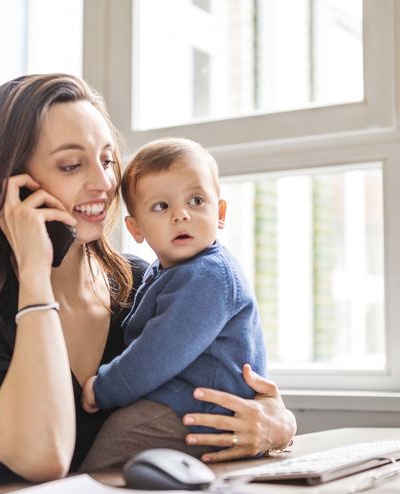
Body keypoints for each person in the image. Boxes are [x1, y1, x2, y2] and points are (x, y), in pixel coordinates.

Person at [0, 73, 296, 494]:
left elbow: (236, 384)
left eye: (106, 160)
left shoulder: (141, 284)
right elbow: (42, 458)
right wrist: (34, 273)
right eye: (71, 165)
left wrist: (276, 424)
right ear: (11, 187)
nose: (105, 184)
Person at [78, 138, 265, 471]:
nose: (181, 216)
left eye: (196, 201)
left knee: (111, 448)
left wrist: (104, 388)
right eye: (161, 207)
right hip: (186, 404)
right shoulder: (165, 271)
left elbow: (157, 352)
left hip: (201, 411)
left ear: (219, 213)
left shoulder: (209, 276)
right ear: (135, 228)